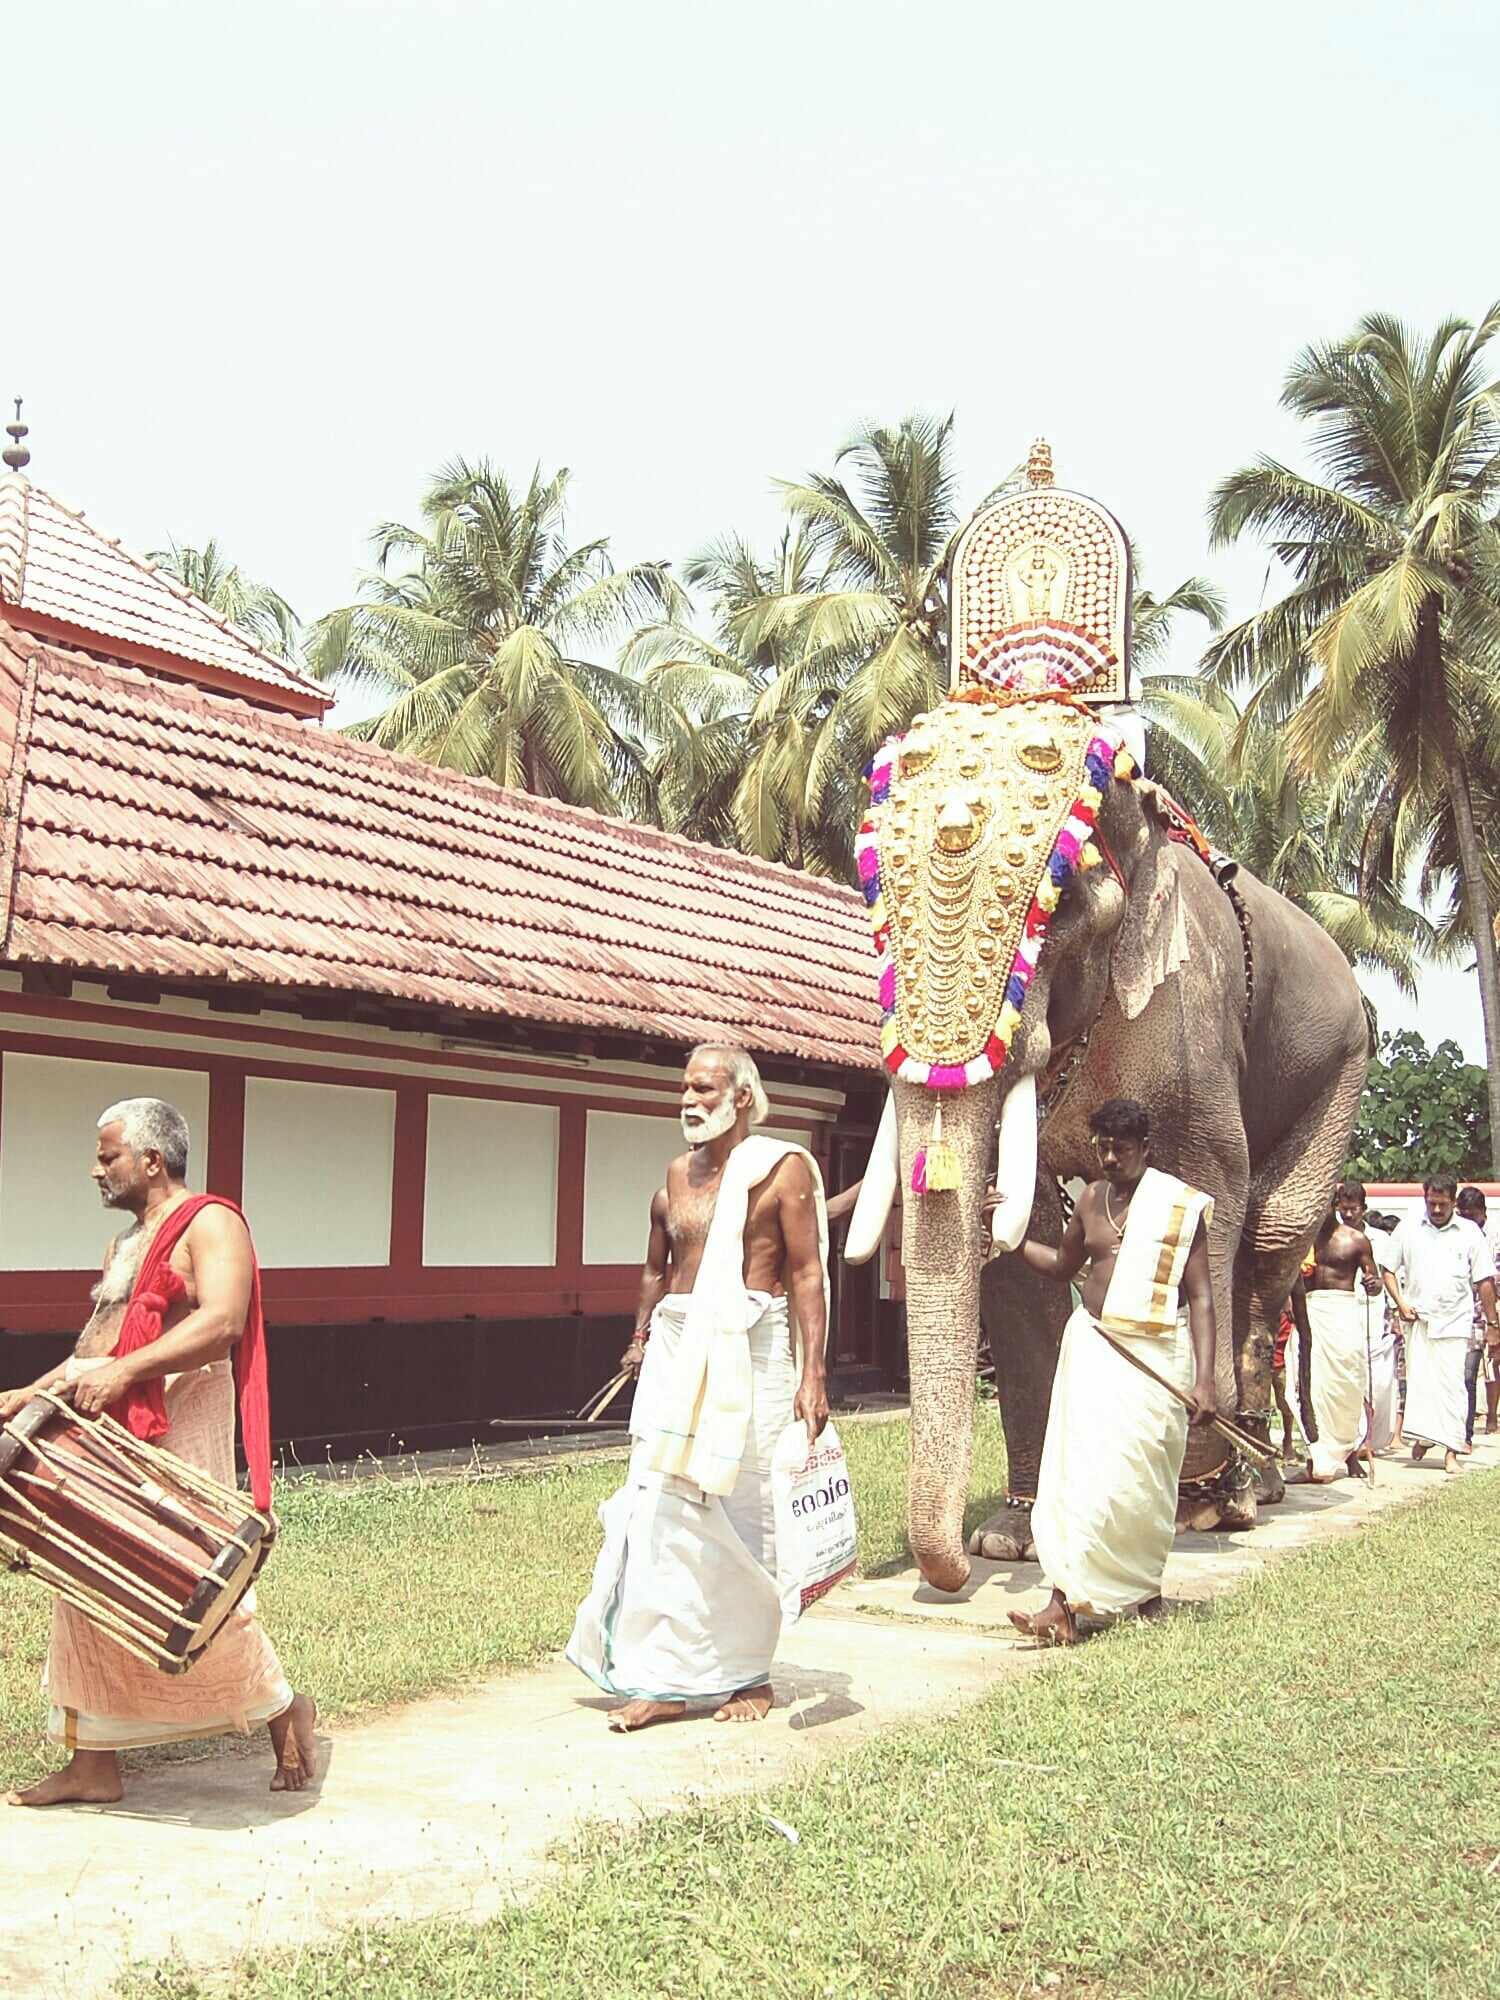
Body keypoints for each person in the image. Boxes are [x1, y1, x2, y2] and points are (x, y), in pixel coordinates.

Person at [0, 1099, 314, 1807]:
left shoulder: (212, 1221)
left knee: (192, 1575)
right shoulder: (123, 1247)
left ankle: (282, 1708)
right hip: (112, 1428)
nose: (95, 1170)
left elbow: (223, 1321)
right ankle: (93, 1760)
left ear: (150, 1159)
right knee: (84, 1576)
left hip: (181, 1420)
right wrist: (33, 1391)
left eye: (106, 1156)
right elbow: (100, 1348)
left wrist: (127, 1373)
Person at [568, 1045, 831, 1730]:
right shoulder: (675, 1176)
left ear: (742, 1097)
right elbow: (658, 1269)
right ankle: (667, 1678)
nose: (689, 1101)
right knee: (660, 1509)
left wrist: (814, 1374)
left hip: (754, 1348)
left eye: (705, 1089)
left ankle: (748, 1674)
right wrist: (640, 1336)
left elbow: (805, 1274)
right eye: (684, 1089)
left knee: (745, 1513)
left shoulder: (782, 1170)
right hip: (677, 1349)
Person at [996, 1097, 1216, 1646]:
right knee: (1081, 1477)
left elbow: (1203, 1298)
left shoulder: (1178, 1207)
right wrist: (1011, 1238)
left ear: (1145, 1148)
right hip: (1095, 1347)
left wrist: (1206, 1379)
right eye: (1103, 1149)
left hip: (1156, 1356)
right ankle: (1062, 1603)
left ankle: (1142, 1589)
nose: (1111, 1158)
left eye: (1121, 1149)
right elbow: (1062, 1267)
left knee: (1140, 1482)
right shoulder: (1091, 1200)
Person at [1386, 1175, 1498, 1477]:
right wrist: (1400, 1302)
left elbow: (1485, 1280)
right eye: (1431, 1203)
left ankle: (1451, 1451)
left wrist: (1493, 1324)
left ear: (1453, 1202)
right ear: (1425, 1198)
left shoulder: (1469, 1233)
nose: (1436, 1209)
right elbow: (1388, 1270)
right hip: (1418, 1321)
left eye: (1442, 1204)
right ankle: (1424, 1436)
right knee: (1421, 1386)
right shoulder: (1408, 1227)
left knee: (1454, 1388)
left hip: (1455, 1321)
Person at [1293, 1184, 1387, 1483]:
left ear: (1333, 1203)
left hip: (1341, 1312)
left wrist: (1374, 1285)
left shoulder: (1355, 1240)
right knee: (1307, 1386)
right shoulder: (1299, 1239)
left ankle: (1349, 1453)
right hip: (1308, 1313)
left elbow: (1375, 1281)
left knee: (1346, 1384)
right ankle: (1316, 1459)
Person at [1457, 1188, 1500, 1445]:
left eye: (1473, 1216)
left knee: (1494, 1368)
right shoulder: (1455, 1235)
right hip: (1464, 1313)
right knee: (1467, 1373)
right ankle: (1465, 1433)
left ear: (1483, 1213)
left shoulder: (1494, 1237)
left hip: (1492, 1309)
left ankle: (1492, 1417)